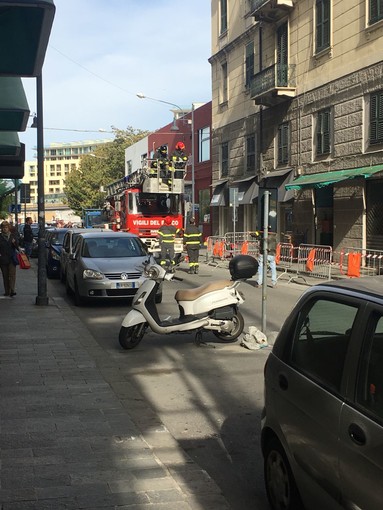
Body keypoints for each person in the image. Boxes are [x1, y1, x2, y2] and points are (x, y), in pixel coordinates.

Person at [0, 220, 19, 297]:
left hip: (11, 259)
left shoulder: (12, 236)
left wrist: (15, 243)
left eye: (6, 227)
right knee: (5, 276)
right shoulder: (0, 237)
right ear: (1, 228)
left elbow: (17, 246)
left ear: (9, 228)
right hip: (3, 259)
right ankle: (7, 291)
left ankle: (12, 290)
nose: (5, 229)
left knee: (12, 275)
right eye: (3, 227)